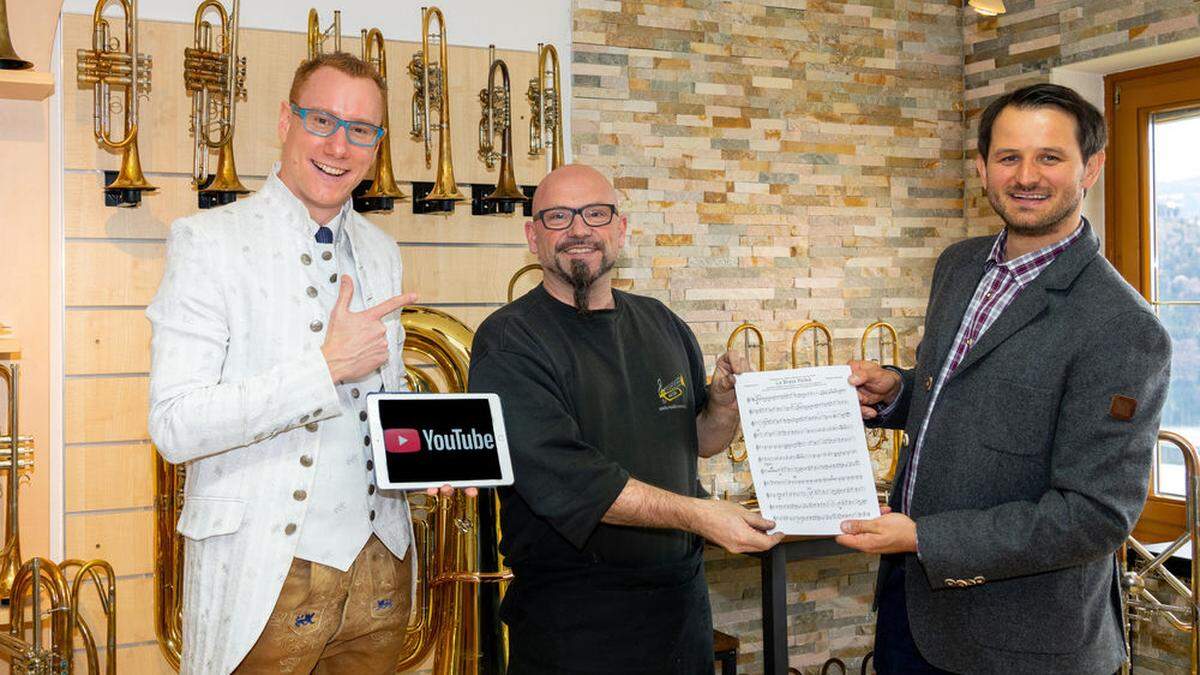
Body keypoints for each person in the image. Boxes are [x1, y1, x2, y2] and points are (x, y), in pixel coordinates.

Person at [837, 83, 1172, 674]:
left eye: (1050, 157)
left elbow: (1094, 515)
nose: (1027, 177)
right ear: (982, 167)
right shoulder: (959, 265)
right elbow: (979, 391)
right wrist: (900, 391)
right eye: (1009, 157)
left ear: (1090, 167)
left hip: (1023, 643)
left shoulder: (1122, 326)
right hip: (910, 610)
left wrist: (924, 540)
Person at [148, 52, 452, 674]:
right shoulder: (207, 241)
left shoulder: (381, 249)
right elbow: (175, 425)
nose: (340, 146)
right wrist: (324, 368)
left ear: (377, 145)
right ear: (286, 121)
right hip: (265, 570)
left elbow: (379, 402)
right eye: (322, 121)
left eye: (362, 129)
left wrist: (426, 458)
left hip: (381, 567)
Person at [468, 164, 783, 674]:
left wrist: (723, 407)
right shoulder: (510, 342)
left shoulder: (660, 321)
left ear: (620, 228)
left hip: (680, 615)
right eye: (557, 217)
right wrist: (703, 515)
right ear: (532, 236)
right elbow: (575, 485)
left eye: (595, 213)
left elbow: (697, 441)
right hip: (575, 624)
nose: (579, 230)